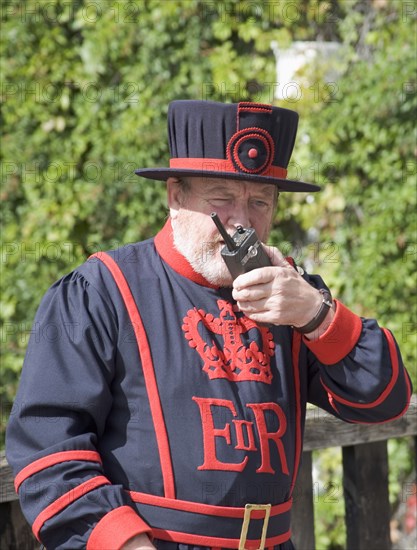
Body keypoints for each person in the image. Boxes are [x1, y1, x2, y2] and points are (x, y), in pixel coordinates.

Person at [6, 100, 412, 550]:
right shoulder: (101, 290)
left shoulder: (292, 292)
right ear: (175, 196)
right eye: (221, 197)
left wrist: (316, 314)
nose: (242, 222)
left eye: (259, 202)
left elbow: (385, 401)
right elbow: (47, 450)